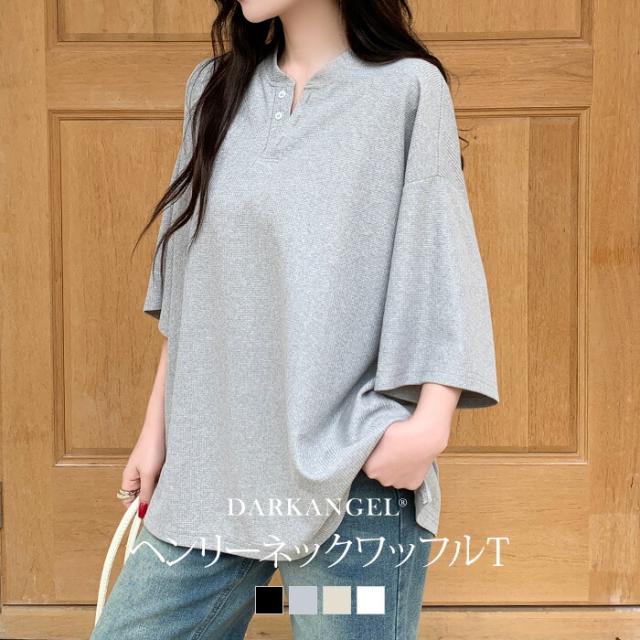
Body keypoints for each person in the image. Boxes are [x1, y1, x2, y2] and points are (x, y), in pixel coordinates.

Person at [91, 0, 499, 638]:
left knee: (324, 620)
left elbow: (438, 258)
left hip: (350, 479)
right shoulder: (214, 90)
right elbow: (195, 286)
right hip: (214, 472)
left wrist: (430, 426)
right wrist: (156, 432)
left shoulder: (407, 90)